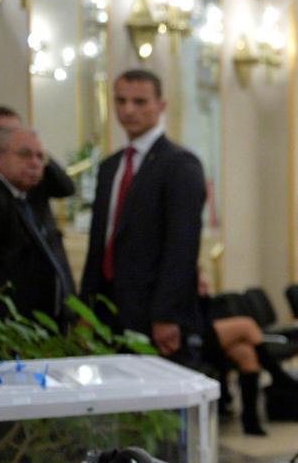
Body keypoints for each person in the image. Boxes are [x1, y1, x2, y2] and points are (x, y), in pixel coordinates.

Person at [80, 69, 205, 365]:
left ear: (160, 105)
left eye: (139, 102)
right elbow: (99, 242)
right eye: (121, 101)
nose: (128, 110)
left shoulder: (180, 164)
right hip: (108, 307)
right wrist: (85, 308)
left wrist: (166, 314)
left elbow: (182, 246)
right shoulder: (111, 166)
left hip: (153, 310)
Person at [0, 105, 77, 297]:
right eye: (25, 154)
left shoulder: (25, 186)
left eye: (40, 156)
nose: (34, 163)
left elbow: (67, 188)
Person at [197, 274, 268, 436]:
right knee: (247, 325)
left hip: (208, 336)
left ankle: (250, 420)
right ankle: (278, 374)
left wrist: (204, 296)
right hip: (193, 338)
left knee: (247, 354)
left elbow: (206, 315)